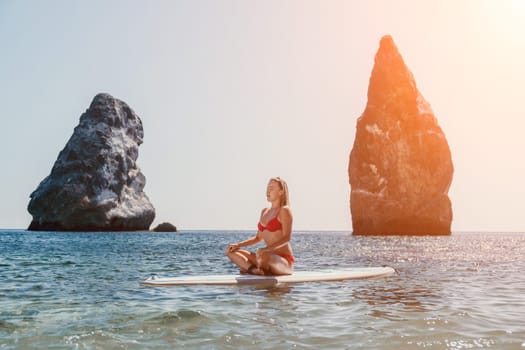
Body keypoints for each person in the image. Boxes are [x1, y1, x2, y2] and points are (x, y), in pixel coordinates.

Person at [226, 177, 294, 275]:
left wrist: (266, 250)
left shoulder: (284, 210)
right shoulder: (264, 211)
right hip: (266, 257)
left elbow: (287, 238)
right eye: (267, 187)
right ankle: (253, 270)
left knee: (264, 254)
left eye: (271, 188)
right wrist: (238, 245)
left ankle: (250, 268)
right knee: (230, 251)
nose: (268, 191)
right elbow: (258, 238)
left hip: (283, 261)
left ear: (281, 192)